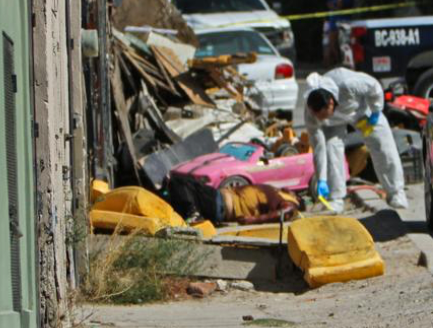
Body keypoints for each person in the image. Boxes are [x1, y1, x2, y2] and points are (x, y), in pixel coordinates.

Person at [304, 67, 409, 212]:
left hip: (361, 111)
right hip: (334, 125)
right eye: (319, 117)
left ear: (330, 103)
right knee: (330, 148)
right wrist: (321, 178)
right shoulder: (311, 114)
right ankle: (336, 198)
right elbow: (318, 146)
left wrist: (376, 111)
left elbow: (374, 87)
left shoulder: (348, 84)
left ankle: (396, 192)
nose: (320, 119)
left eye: (324, 114)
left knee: (382, 145)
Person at [166, 175, 301, 225]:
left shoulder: (291, 203)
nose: (291, 190)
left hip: (221, 205)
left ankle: (193, 214)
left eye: (295, 194)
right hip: (218, 199)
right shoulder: (278, 193)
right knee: (184, 183)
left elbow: (285, 212)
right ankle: (190, 213)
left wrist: (254, 220)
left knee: (178, 182)